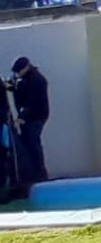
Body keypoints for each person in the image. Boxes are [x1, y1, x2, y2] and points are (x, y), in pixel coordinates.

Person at [10, 57, 48, 185]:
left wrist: (22, 116)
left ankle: (40, 174)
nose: (17, 75)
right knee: (28, 142)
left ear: (25, 68)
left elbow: (33, 102)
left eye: (19, 72)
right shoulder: (24, 78)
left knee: (33, 143)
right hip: (29, 116)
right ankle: (33, 173)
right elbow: (17, 88)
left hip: (36, 116)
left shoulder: (37, 81)